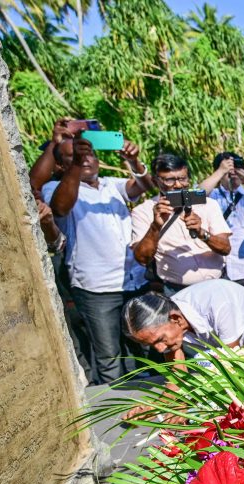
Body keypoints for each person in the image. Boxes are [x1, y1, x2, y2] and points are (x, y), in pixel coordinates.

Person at [44, 135, 152, 384]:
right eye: (75, 156)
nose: (86, 159)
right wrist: (76, 164)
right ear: (61, 165)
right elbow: (60, 208)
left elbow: (144, 186)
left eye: (89, 154)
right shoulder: (56, 188)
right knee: (109, 356)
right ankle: (115, 405)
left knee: (146, 347)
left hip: (133, 281)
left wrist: (134, 162)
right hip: (96, 289)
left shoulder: (110, 184)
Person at [130, 153, 231, 295]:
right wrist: (155, 227)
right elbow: (142, 259)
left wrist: (201, 232)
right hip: (176, 291)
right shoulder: (143, 211)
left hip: (217, 285)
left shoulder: (208, 204)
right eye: (169, 180)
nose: (178, 185)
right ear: (155, 181)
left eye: (182, 178)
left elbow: (225, 248)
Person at [123, 282, 244, 361]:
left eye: (159, 340)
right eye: (152, 345)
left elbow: (233, 362)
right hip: (236, 352)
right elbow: (176, 374)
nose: (159, 349)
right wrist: (168, 403)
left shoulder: (217, 303)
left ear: (176, 319)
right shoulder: (168, 319)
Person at [201, 152, 244, 293]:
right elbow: (194, 195)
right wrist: (221, 171)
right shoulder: (212, 196)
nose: (233, 172)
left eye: (238, 167)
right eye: (228, 168)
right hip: (221, 270)